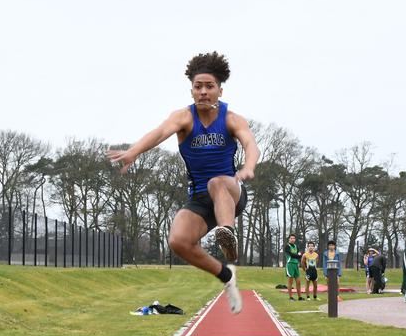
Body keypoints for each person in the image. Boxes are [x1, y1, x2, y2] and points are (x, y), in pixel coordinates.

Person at [107, 52, 260, 315]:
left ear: (220, 90)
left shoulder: (232, 119)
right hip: (200, 198)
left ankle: (227, 234)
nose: (203, 92)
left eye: (209, 86)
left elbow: (250, 144)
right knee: (178, 241)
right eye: (198, 87)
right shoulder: (184, 118)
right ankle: (226, 275)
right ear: (191, 91)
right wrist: (133, 151)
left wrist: (248, 167)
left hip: (230, 192)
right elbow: (158, 133)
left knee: (217, 182)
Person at [284, 234, 302, 301]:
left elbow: (299, 254)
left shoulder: (296, 246)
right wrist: (298, 255)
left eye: (294, 238)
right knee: (290, 282)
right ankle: (291, 297)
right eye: (291, 238)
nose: (292, 239)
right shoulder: (287, 246)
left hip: (296, 264)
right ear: (289, 239)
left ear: (295, 239)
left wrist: (298, 256)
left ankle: (300, 297)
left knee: (298, 282)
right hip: (290, 264)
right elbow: (291, 255)